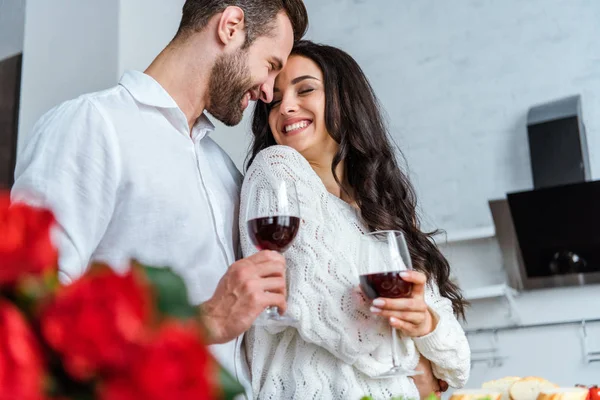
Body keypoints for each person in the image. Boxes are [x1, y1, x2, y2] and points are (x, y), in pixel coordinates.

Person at [11, 0, 308, 395]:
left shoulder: (225, 171)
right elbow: (31, 312)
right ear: (231, 26)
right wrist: (207, 320)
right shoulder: (94, 124)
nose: (268, 91)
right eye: (270, 65)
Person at [240, 40, 471, 399]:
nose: (285, 106)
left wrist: (426, 323)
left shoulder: (380, 208)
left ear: (345, 101)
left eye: (306, 90)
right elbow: (338, 318)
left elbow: (458, 360)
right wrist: (421, 368)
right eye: (274, 100)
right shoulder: (277, 170)